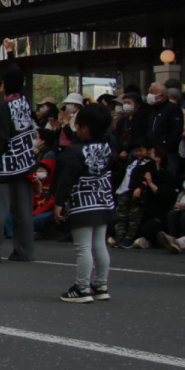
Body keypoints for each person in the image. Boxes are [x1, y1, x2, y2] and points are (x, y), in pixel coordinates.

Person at [0, 39, 37, 264]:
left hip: (3, 165)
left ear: (3, 85)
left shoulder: (1, 109)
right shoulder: (25, 102)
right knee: (23, 212)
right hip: (25, 163)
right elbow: (17, 77)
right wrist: (11, 54)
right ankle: (24, 251)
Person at [51, 104, 116, 302]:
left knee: (83, 247)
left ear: (85, 128)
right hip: (104, 198)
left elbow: (66, 180)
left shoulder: (74, 152)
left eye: (77, 125)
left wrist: (59, 202)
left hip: (82, 202)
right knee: (99, 245)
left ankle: (82, 288)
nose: (76, 128)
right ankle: (100, 284)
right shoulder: (108, 146)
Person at [145, 81, 184, 175]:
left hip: (168, 151)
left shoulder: (173, 108)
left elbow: (176, 130)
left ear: (162, 96)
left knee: (169, 174)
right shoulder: (152, 110)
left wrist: (167, 146)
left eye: (152, 93)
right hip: (152, 149)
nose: (149, 96)